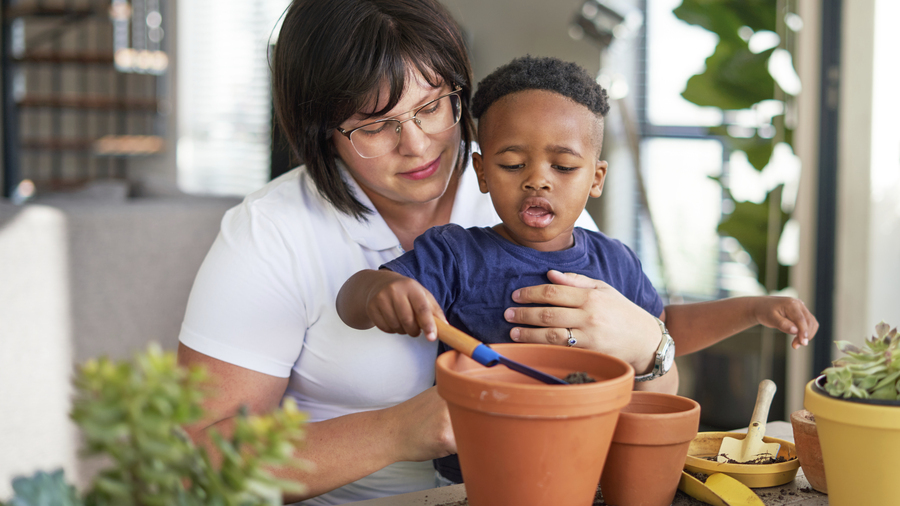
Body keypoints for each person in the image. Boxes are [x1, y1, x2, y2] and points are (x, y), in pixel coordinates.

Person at [176, 0, 816, 502]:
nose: (420, 144)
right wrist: (400, 431)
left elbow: (652, 389)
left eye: (433, 106)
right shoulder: (271, 234)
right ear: (321, 132)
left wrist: (652, 342)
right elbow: (193, 470)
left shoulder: (526, 194)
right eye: (376, 125)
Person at [335, 55, 820, 484]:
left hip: (597, 467)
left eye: (563, 167)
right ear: (481, 174)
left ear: (596, 178)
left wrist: (754, 308)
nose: (537, 179)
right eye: (511, 164)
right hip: (479, 478)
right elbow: (352, 300)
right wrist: (378, 290)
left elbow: (663, 329)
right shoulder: (455, 255)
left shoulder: (614, 261)